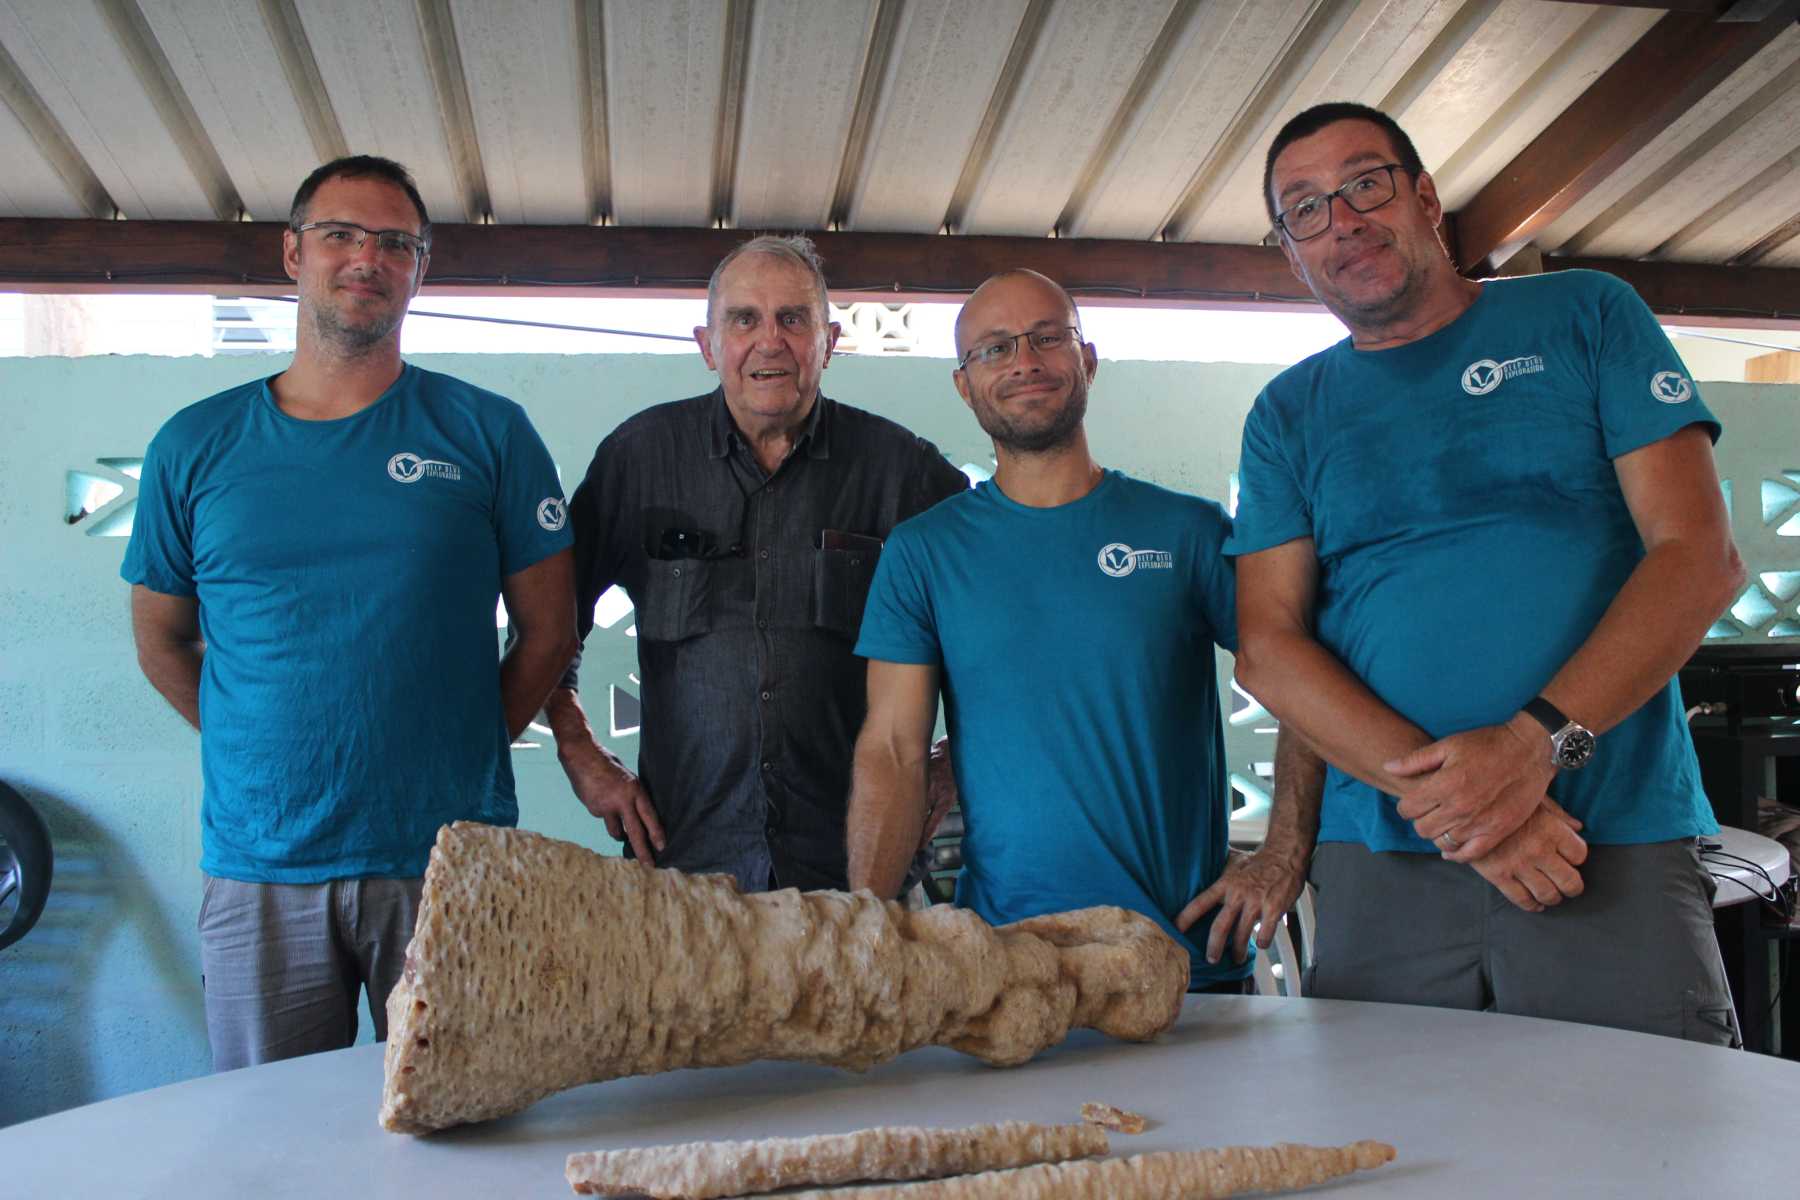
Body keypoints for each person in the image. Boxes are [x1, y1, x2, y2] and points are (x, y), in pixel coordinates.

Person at [1229, 101, 1745, 1041]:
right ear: (1292, 255)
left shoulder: (1586, 313)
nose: (1340, 219)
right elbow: (1268, 648)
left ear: (1425, 197)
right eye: (1303, 209)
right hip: (1384, 855)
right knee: (1386, 1163)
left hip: (1604, 837)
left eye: (1364, 184)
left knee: (1649, 1151)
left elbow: (1699, 559)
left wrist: (1530, 747)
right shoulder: (1287, 412)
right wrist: (1471, 810)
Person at [123, 156, 577, 1069]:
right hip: (260, 870)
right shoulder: (194, 444)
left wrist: (466, 743)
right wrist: (249, 743)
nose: (366, 257)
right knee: (271, 1142)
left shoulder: (488, 433)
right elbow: (161, 638)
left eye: (395, 243)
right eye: (340, 234)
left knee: (463, 1123)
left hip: (449, 862)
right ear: (293, 253)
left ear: (419, 270)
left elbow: (551, 632)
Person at [846, 269, 1313, 990]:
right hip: (1008, 975)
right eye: (994, 350)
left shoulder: (1185, 533)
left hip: (1190, 970)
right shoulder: (923, 554)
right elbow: (894, 751)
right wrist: (863, 933)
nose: (1025, 362)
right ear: (964, 387)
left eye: (1046, 338)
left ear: (1086, 359)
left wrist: (1282, 851)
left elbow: (1305, 679)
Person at [545, 235, 968, 893]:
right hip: (684, 875)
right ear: (708, 344)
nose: (769, 340)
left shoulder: (902, 472)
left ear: (827, 341)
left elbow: (999, 629)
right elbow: (548, 623)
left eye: (792, 319)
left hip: (855, 881)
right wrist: (582, 754)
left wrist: (951, 765)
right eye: (744, 319)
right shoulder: (639, 459)